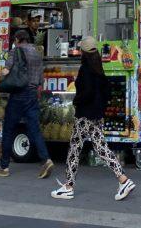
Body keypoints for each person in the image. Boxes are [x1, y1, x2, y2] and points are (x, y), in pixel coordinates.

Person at [51, 37, 135, 201]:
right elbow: (105, 91)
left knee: (75, 149)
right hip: (97, 114)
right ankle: (123, 179)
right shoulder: (98, 67)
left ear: (83, 51)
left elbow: (86, 92)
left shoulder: (85, 69)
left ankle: (68, 186)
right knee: (100, 147)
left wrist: (76, 100)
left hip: (84, 115)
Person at [0, 29, 54, 179]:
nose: (14, 41)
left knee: (8, 129)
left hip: (19, 94)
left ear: (19, 39)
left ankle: (4, 166)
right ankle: (46, 160)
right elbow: (41, 79)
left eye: (14, 39)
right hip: (32, 95)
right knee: (34, 129)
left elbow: (7, 71)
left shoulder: (16, 51)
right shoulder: (37, 53)